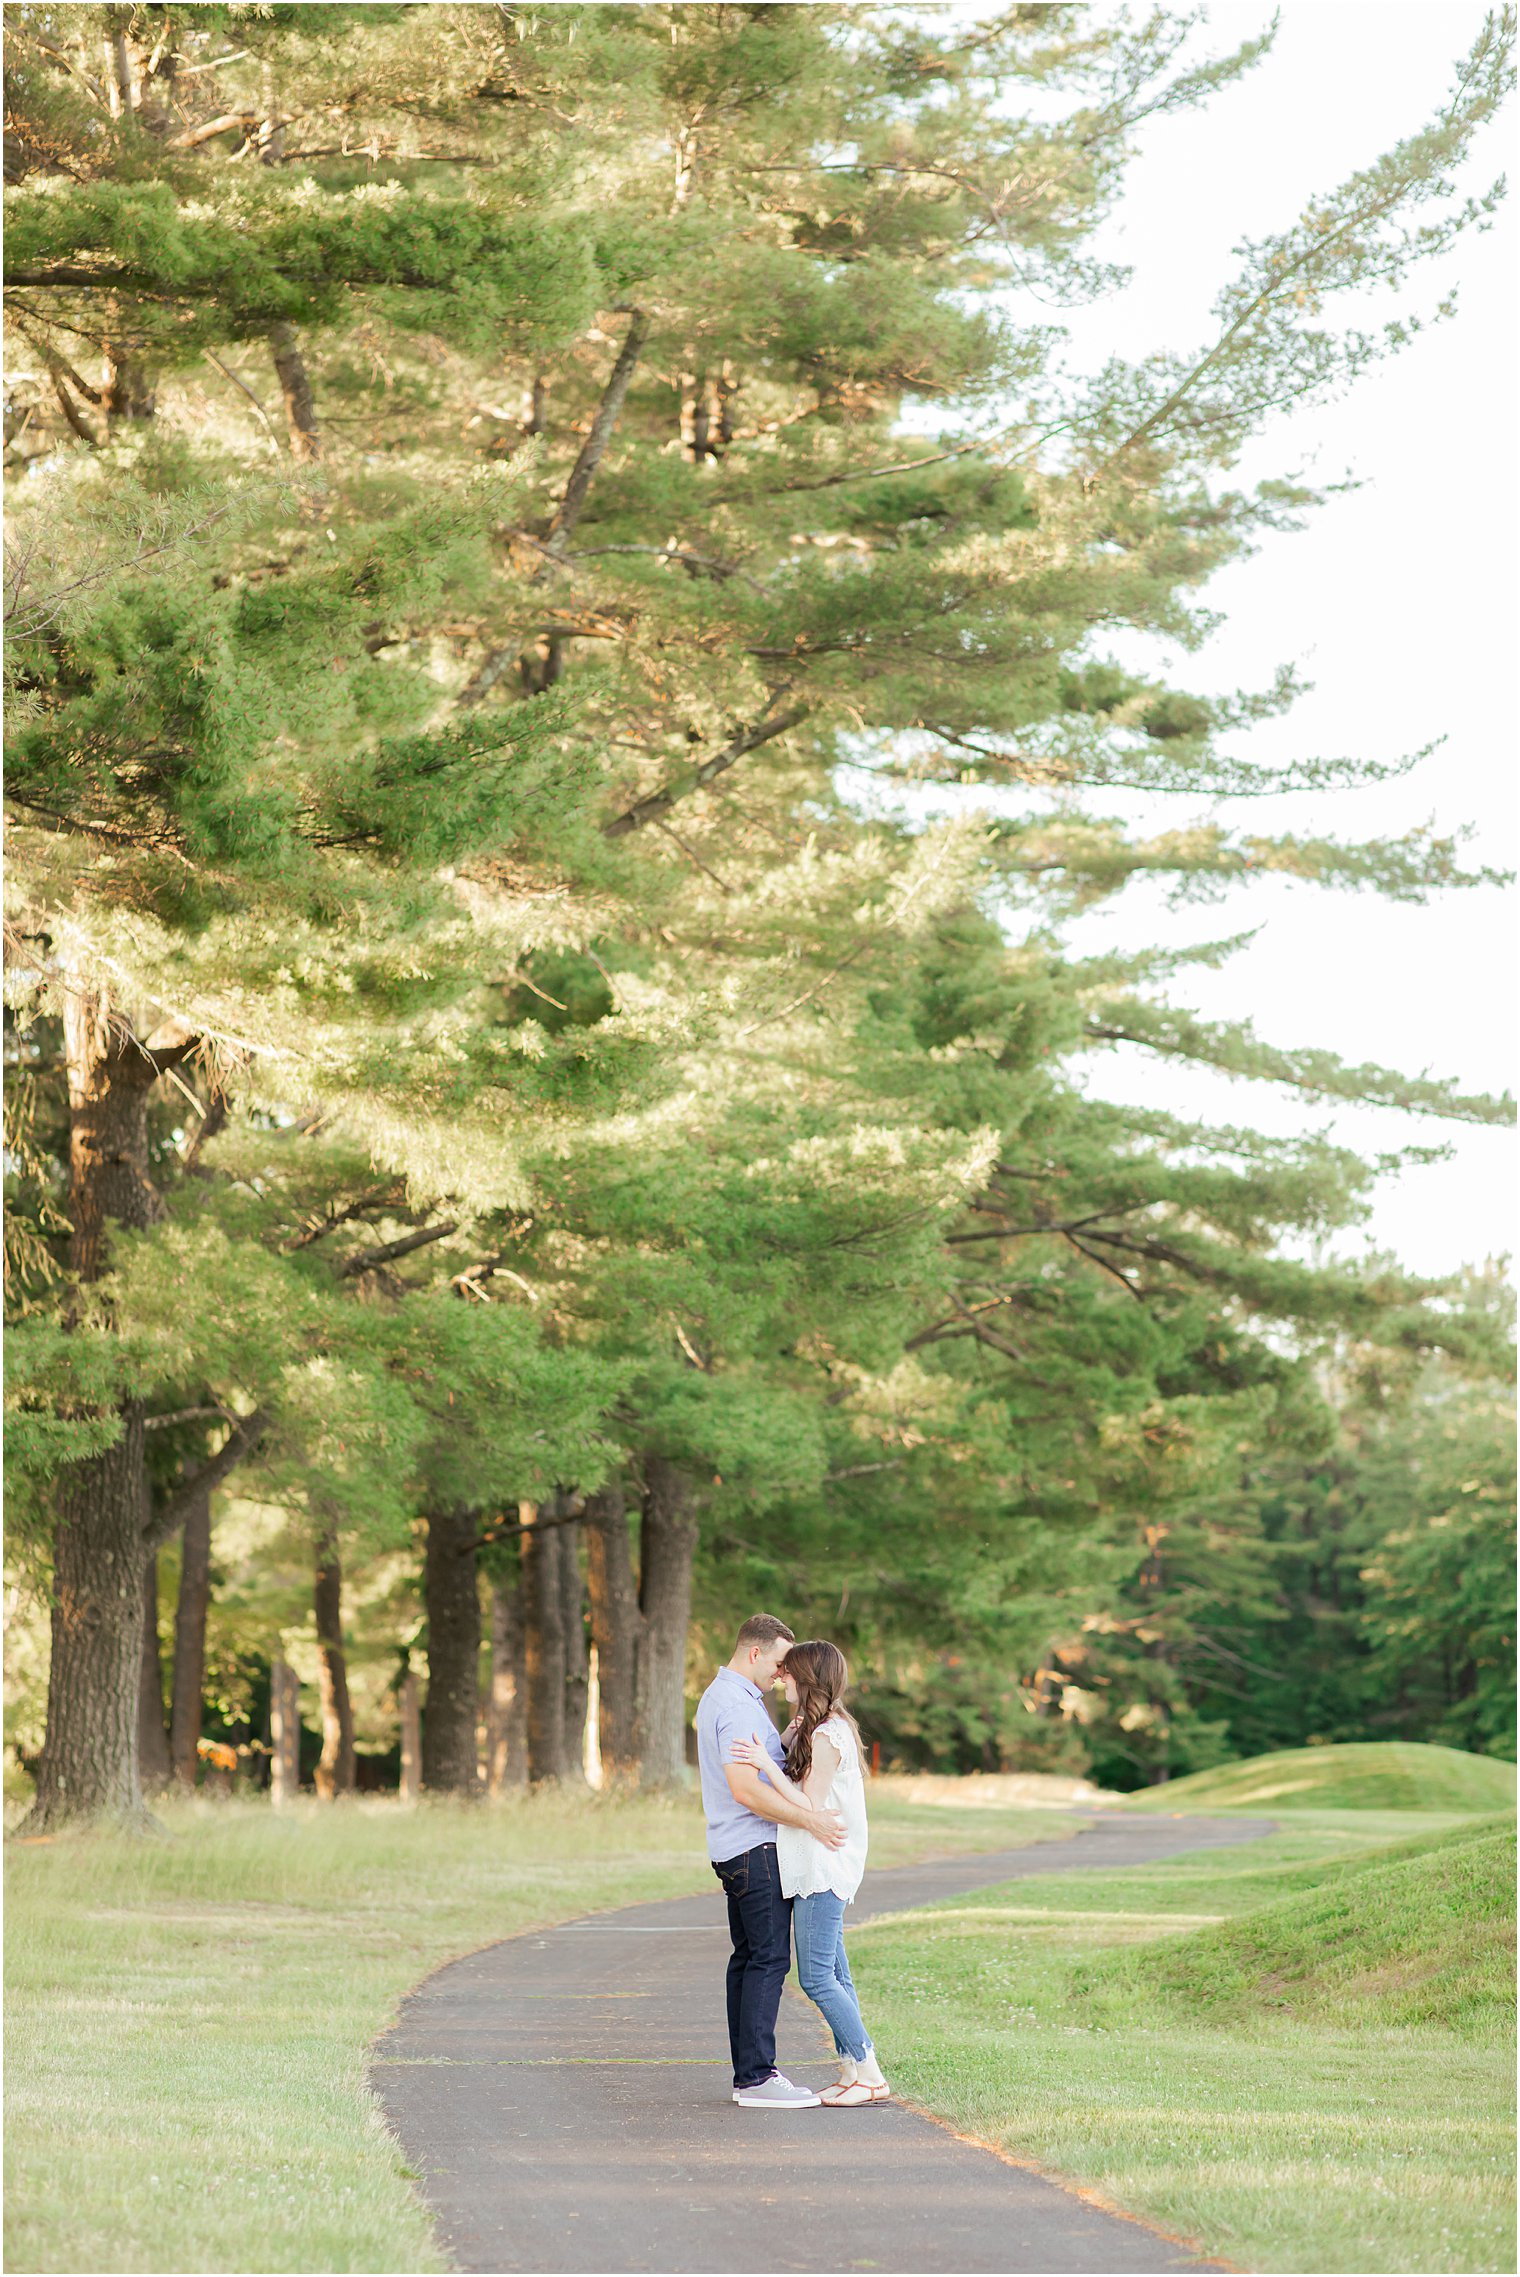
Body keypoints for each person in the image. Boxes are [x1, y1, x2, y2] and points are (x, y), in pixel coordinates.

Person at [694, 1613, 847, 2109]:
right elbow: (743, 1789)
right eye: (781, 1663)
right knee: (768, 1960)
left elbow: (757, 1769)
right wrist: (811, 1821)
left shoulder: (734, 1699)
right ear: (754, 1653)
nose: (785, 1675)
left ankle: (749, 2077)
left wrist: (781, 1743)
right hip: (755, 1849)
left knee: (747, 1961)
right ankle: (758, 2078)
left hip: (736, 1849)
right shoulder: (736, 1705)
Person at [730, 1638, 890, 2107]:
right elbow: (799, 1776)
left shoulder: (827, 1735)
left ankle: (870, 2072)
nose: (782, 1678)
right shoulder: (818, 1729)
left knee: (816, 1977)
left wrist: (763, 1764)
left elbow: (808, 1804)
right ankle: (851, 2070)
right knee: (836, 1974)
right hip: (813, 1866)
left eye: (789, 1672)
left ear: (808, 1679)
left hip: (824, 1868)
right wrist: (781, 1741)